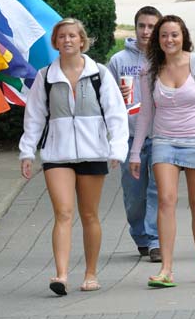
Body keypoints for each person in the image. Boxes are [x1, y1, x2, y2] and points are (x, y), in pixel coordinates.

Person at [19, 18, 129, 296]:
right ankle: (61, 275)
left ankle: (91, 273)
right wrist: (27, 151)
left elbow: (116, 114)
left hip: (93, 152)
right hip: (57, 154)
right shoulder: (45, 77)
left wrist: (117, 149)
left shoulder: (99, 74)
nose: (67, 40)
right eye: (62, 36)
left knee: (89, 214)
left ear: (82, 41)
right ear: (55, 43)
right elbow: (33, 117)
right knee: (63, 213)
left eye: (72, 36)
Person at [129, 15, 195, 288]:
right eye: (164, 35)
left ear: (183, 36)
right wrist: (135, 152)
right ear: (157, 39)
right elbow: (145, 115)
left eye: (174, 34)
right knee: (165, 200)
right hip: (164, 141)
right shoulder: (150, 70)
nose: (169, 40)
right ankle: (166, 269)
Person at [108, 6, 163, 263]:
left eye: (152, 27)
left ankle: (155, 240)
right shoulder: (119, 61)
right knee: (134, 195)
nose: (146, 31)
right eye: (142, 26)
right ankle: (140, 234)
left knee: (157, 189)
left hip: (161, 135)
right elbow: (107, 100)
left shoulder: (165, 57)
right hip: (130, 136)